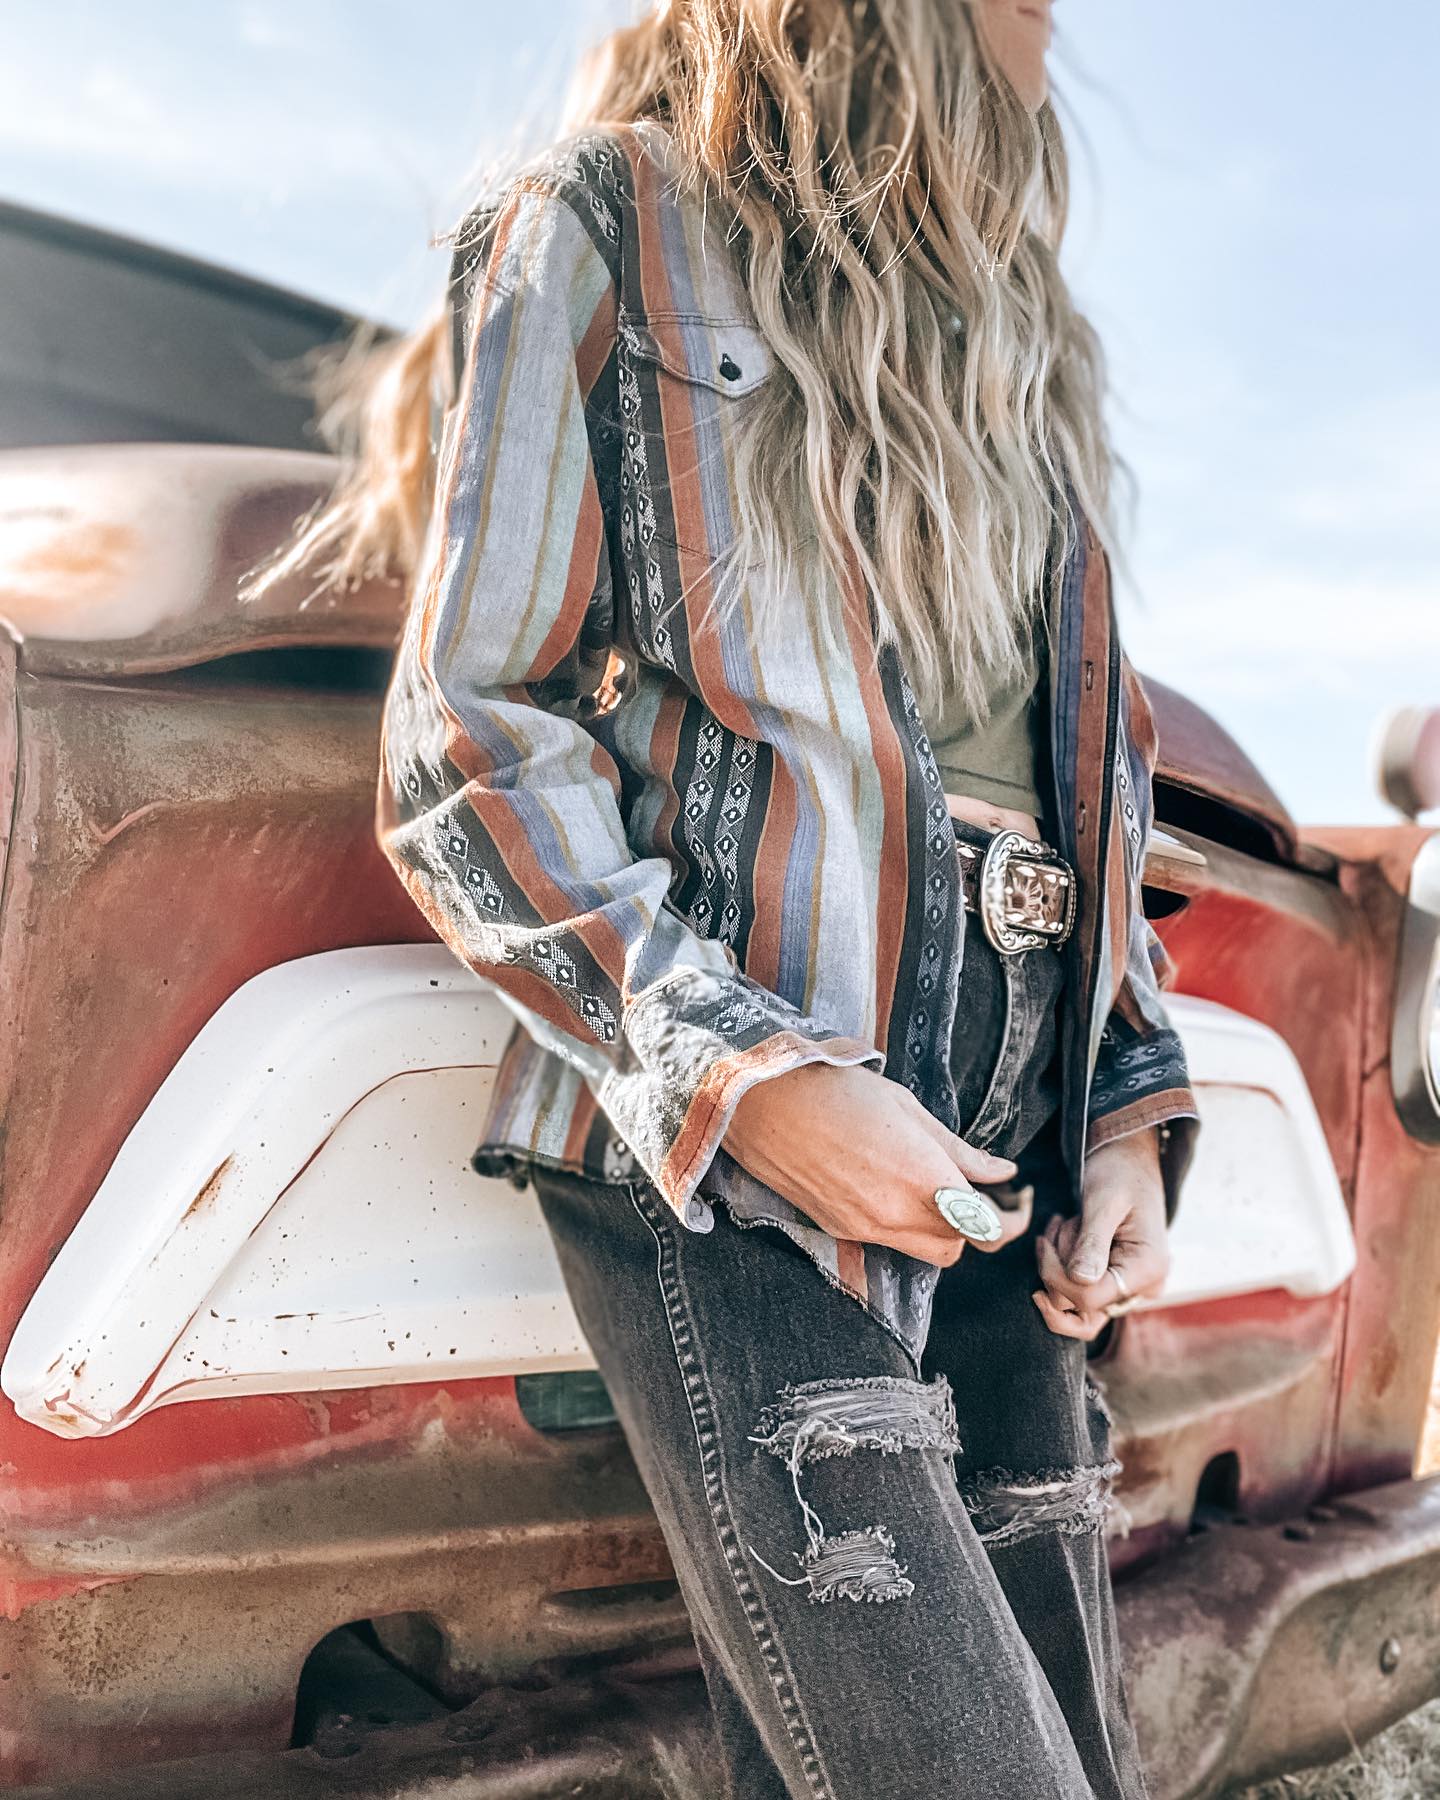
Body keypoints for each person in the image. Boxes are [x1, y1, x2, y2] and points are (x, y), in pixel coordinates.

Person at [251, 2, 1201, 1793]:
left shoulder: (1023, 342)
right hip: (742, 1150)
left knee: (1046, 1750)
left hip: (1018, 1178)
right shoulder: (605, 225)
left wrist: (1131, 1121)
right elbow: (470, 732)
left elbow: (1091, 781)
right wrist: (757, 1085)